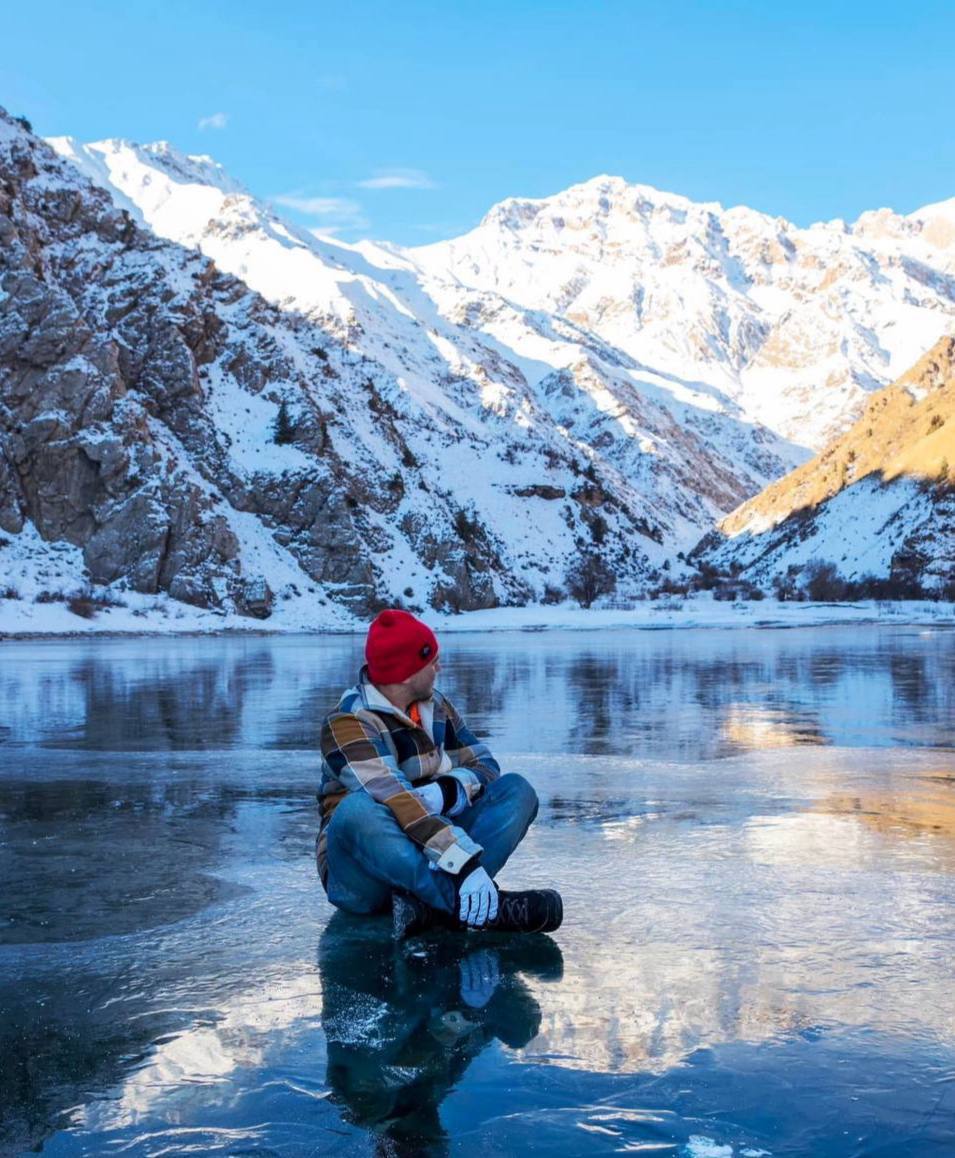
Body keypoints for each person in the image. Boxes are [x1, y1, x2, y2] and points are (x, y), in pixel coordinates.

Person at [317, 609, 563, 938]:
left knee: (517, 792)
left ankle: (427, 908)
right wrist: (463, 865)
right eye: (431, 661)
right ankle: (479, 908)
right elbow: (395, 798)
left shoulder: (436, 706)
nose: (439, 668)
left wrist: (448, 791)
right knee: (356, 811)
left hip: (434, 846)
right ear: (406, 673)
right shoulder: (347, 722)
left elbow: (485, 765)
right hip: (364, 873)